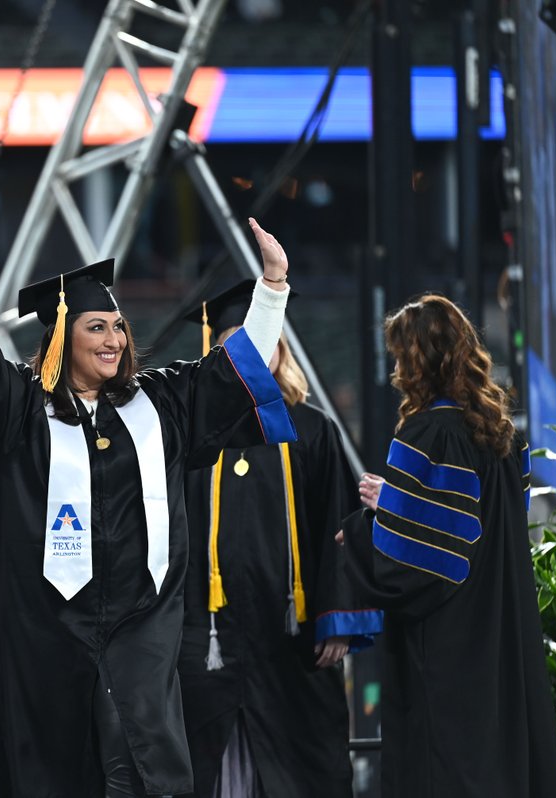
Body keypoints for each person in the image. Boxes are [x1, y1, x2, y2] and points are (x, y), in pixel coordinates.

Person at [0, 209, 296, 797]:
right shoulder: (20, 411)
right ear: (62, 337)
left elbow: (237, 369)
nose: (114, 340)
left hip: (141, 620)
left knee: (141, 756)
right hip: (45, 624)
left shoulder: (163, 403)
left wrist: (272, 286)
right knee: (53, 762)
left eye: (118, 327)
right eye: (96, 327)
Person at [340, 294, 556, 798]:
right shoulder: (502, 436)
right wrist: (397, 503)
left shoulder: (428, 434)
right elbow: (473, 527)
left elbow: (415, 570)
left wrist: (359, 530)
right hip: (500, 637)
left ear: (420, 360)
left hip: (449, 655)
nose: (396, 367)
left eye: (401, 356)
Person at [175, 280, 383, 798]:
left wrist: (337, 620)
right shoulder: (189, 438)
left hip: (294, 639)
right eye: (231, 347)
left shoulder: (311, 431)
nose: (246, 356)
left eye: (258, 342)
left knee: (301, 764)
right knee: (204, 762)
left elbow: (340, 524)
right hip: (207, 637)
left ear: (279, 349)